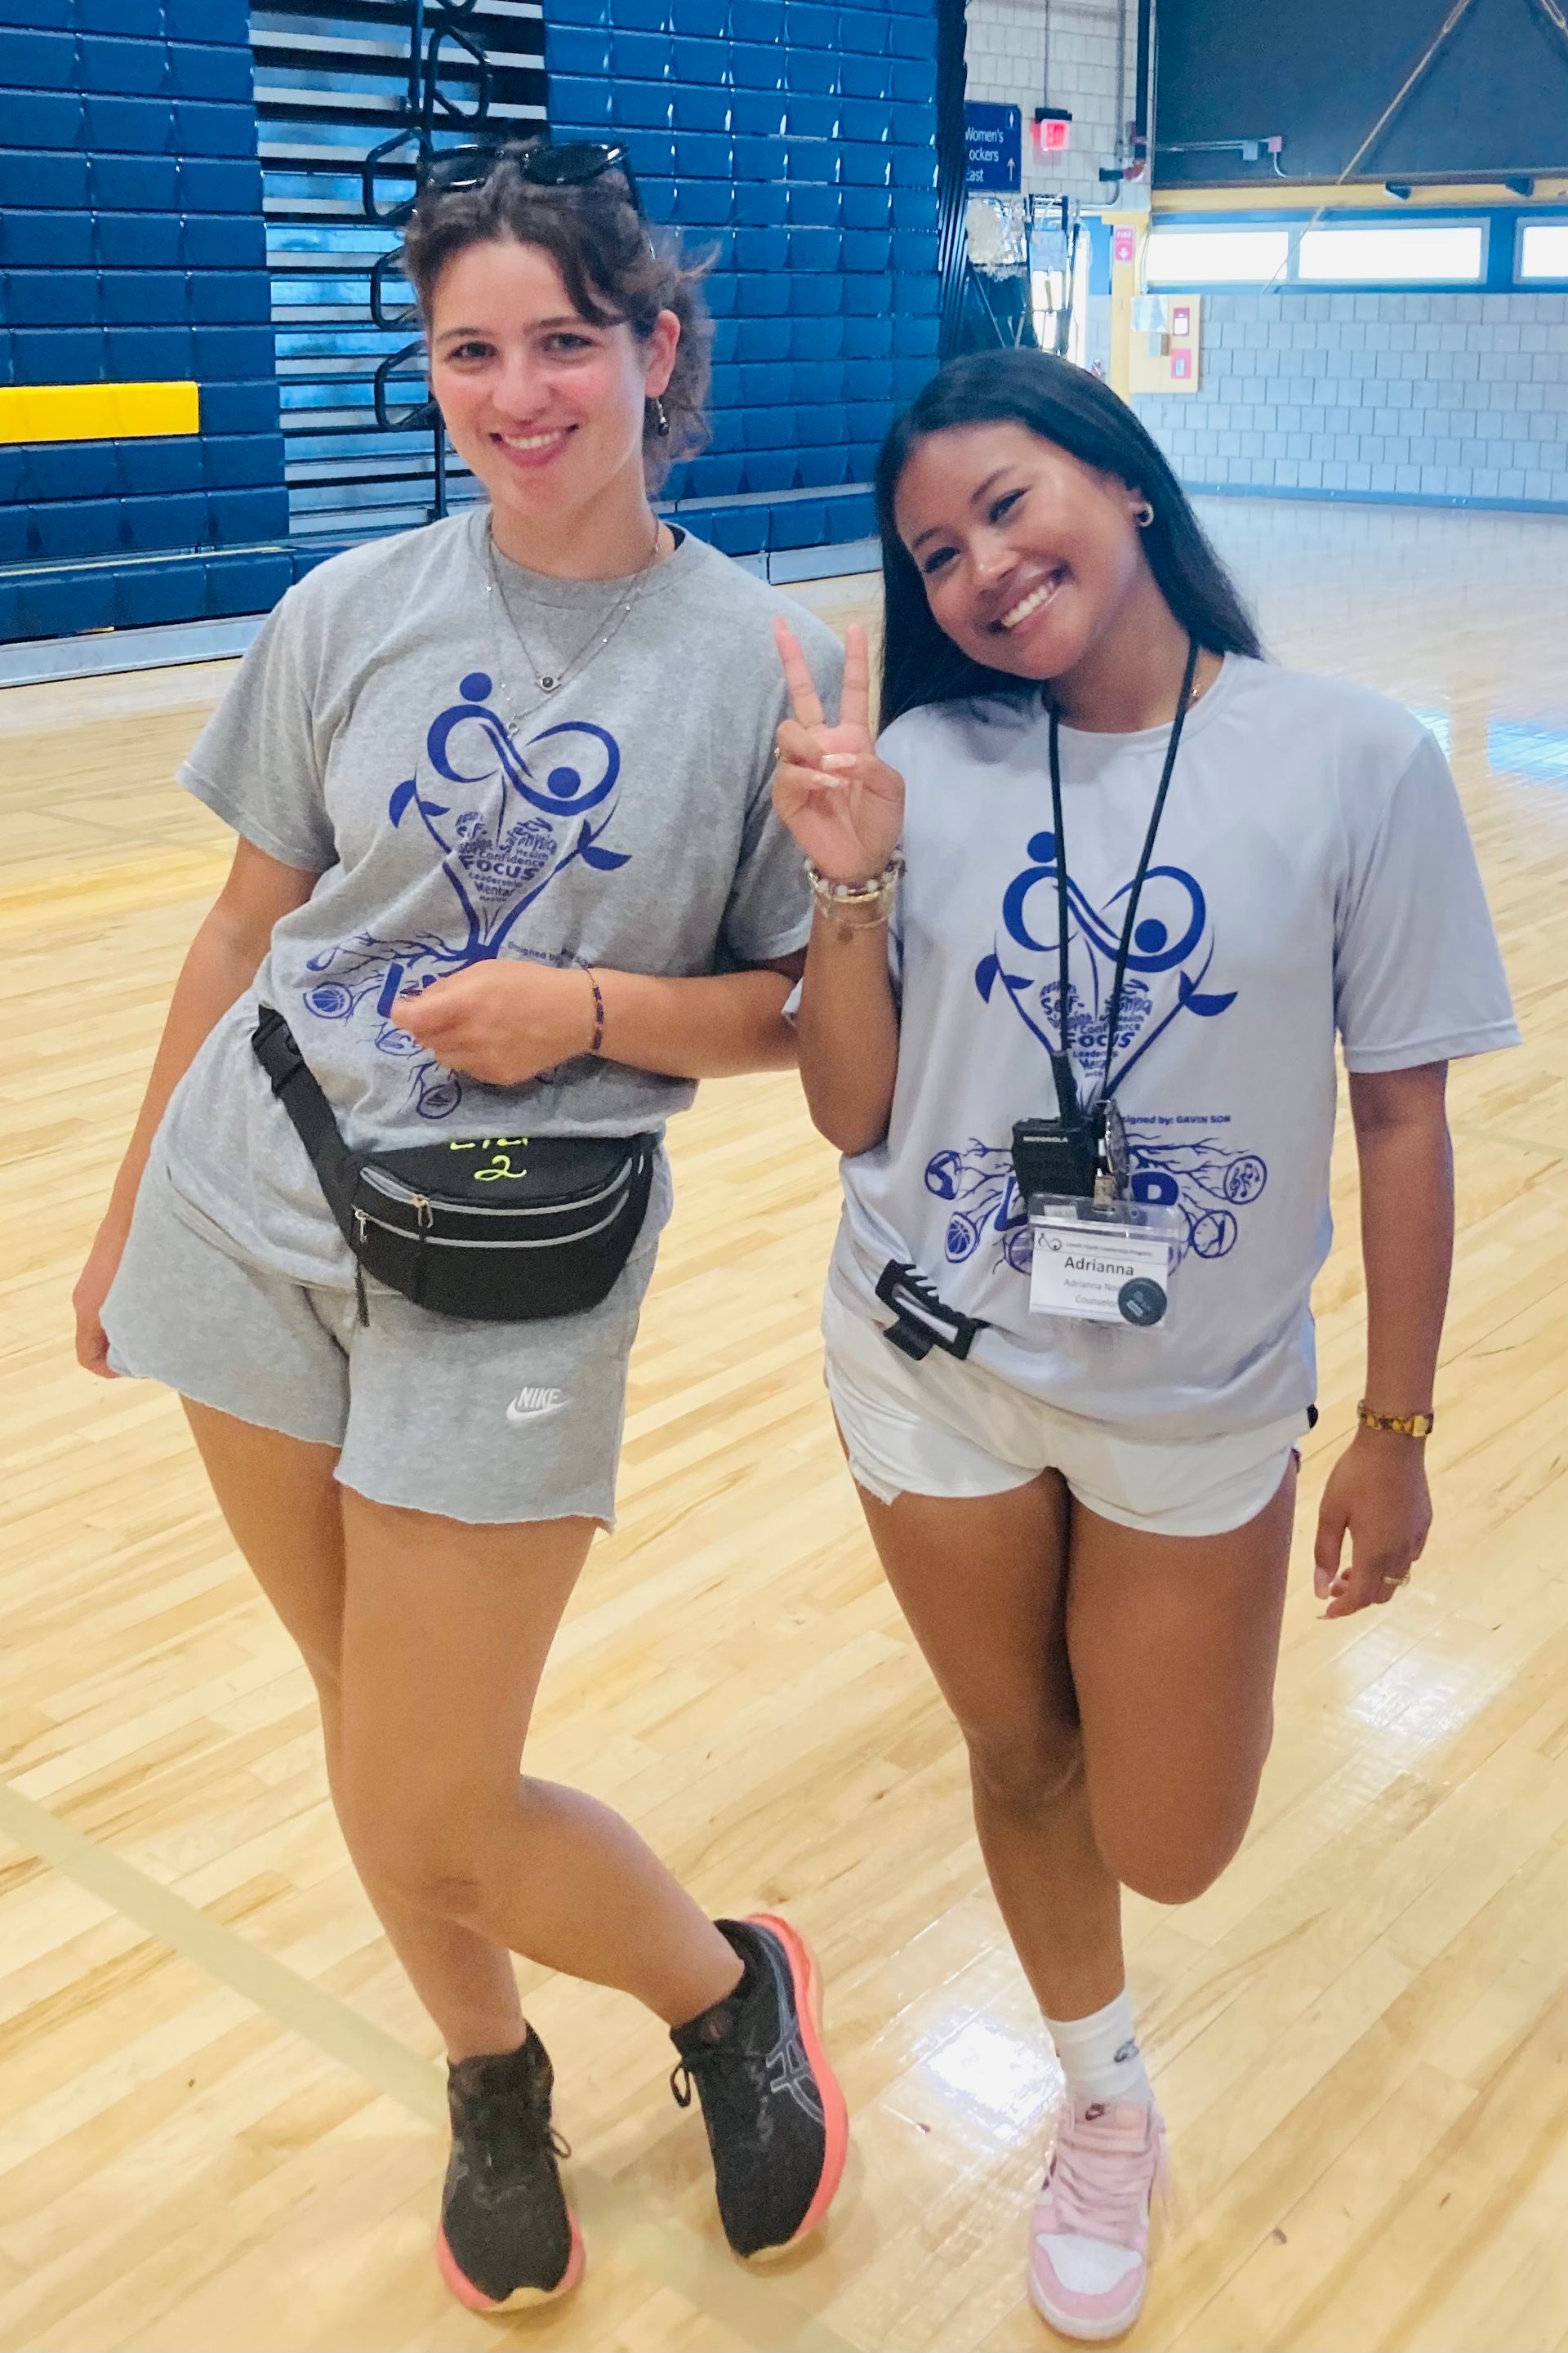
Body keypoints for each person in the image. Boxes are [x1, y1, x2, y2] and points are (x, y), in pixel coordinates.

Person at [72, 140, 848, 2312]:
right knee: (369, 1729)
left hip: (514, 1263)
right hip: (252, 1202)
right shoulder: (347, 610)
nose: (520, 395)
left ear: (654, 350)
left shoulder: (763, 659)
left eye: (566, 344)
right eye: (471, 352)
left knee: (425, 1783)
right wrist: (132, 1211)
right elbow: (244, 923)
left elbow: (801, 1014)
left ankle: (722, 1990)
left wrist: (578, 1011)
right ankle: (488, 2066)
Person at [772, 346, 1517, 2342]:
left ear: (1125, 485)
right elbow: (848, 1110)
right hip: (929, 1354)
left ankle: (1135, 1728)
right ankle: (1102, 2101)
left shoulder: (1357, 757)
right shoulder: (926, 770)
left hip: (1193, 1399)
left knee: (1170, 1837)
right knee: (1020, 1754)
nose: (982, 571)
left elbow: (1403, 1115)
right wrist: (846, 874)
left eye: (1011, 506)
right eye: (935, 551)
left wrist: (1396, 1423)